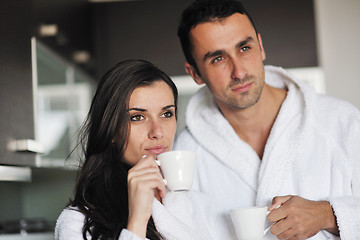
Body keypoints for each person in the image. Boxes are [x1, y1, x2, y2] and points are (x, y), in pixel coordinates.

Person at [174, 0, 360, 239]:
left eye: (244, 48)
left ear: (260, 47)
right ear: (195, 74)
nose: (239, 72)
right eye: (218, 59)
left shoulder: (342, 122)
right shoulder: (186, 154)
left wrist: (328, 214)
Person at [55, 59, 178, 240]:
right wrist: (137, 222)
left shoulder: (194, 203)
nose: (158, 132)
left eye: (166, 114)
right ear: (111, 129)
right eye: (137, 117)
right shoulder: (78, 222)